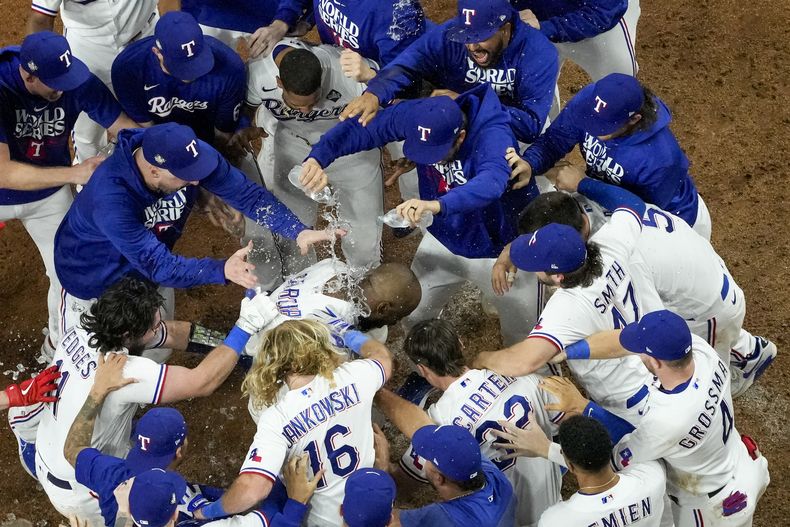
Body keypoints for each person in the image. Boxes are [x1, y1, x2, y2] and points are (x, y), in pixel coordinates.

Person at [19, 276, 281, 523]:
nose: (158, 330)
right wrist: (244, 326)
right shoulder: (124, 371)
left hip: (47, 448)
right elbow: (202, 381)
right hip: (81, 487)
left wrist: (234, 346)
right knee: (159, 509)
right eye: (152, 327)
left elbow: (169, 333)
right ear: (127, 335)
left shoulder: (82, 329)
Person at [53, 123, 340, 347]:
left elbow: (247, 196)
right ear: (154, 171)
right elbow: (160, 266)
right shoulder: (111, 197)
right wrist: (221, 269)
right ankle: (52, 346)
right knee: (91, 356)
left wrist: (296, 230)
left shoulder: (185, 155)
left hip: (144, 268)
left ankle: (230, 353)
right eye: (186, 176)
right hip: (93, 280)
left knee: (154, 337)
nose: (194, 181)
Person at [303, 85, 542, 346]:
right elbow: (365, 129)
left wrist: (437, 206)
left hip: (504, 252)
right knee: (413, 317)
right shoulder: (419, 115)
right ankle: (425, 380)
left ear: (460, 137)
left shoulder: (493, 136)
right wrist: (318, 157)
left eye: (436, 153)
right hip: (443, 238)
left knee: (524, 339)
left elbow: (492, 183)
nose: (432, 160)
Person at [513, 175, 776, 396]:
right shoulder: (599, 214)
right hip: (701, 270)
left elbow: (649, 320)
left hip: (709, 308)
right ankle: (747, 348)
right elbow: (630, 204)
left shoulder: (622, 257)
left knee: (694, 376)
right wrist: (583, 182)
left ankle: (748, 359)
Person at [533, 311, 771, 527]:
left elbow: (615, 460)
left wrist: (584, 407)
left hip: (714, 505)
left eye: (640, 351)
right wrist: (569, 352)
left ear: (656, 362)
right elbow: (623, 344)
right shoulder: (703, 353)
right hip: (743, 462)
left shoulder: (668, 419)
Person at [476, 176, 665, 423]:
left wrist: (482, 358)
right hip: (665, 363)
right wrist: (582, 183)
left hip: (631, 401)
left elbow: (522, 362)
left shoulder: (566, 308)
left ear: (558, 276)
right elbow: (633, 205)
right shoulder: (609, 245)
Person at [0, 31, 138, 357]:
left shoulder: (72, 78)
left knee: (68, 276)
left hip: (47, 196)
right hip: (17, 187)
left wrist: (146, 149)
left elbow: (123, 125)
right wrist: (75, 173)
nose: (62, 88)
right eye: (54, 82)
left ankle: (56, 352)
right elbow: (3, 173)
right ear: (28, 75)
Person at [191, 320, 393, 526]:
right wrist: (348, 334)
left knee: (277, 487)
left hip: (319, 522)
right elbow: (382, 357)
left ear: (276, 364)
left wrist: (208, 512)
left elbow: (253, 489)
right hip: (372, 506)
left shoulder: (276, 418)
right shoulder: (355, 375)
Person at [398, 319, 562, 527]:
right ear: (461, 343)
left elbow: (403, 485)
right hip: (558, 513)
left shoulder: (439, 420)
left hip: (503, 519)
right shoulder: (519, 376)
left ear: (422, 369)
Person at [241, 38, 384, 274]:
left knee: (364, 238)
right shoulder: (259, 75)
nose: (306, 111)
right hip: (294, 149)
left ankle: (365, 288)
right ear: (279, 83)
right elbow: (245, 108)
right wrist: (243, 127)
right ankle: (299, 290)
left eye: (313, 101)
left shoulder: (345, 71)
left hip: (351, 153)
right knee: (293, 231)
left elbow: (392, 91)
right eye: (298, 105)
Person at [508, 73, 711, 239]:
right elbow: (555, 140)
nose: (592, 128)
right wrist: (530, 163)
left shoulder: (661, 159)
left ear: (634, 119)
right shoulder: (591, 103)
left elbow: (640, 213)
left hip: (670, 225)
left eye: (603, 126)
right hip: (609, 197)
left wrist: (583, 184)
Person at [345, 0, 559, 144]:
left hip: (508, 131)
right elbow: (407, 64)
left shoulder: (538, 53)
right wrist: (375, 92)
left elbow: (529, 126)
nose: (472, 46)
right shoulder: (447, 34)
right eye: (467, 36)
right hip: (457, 122)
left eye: (481, 36)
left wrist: (467, 103)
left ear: (504, 27)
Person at [27, 0, 160, 161]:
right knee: (87, 134)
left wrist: (170, 36)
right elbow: (41, 18)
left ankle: (165, 171)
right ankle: (88, 180)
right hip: (88, 48)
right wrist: (40, 70)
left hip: (146, 38)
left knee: (158, 112)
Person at [493, 415, 667, 527]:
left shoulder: (556, 521)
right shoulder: (652, 477)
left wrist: (547, 449)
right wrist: (548, 449)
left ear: (570, 466)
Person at [374, 390, 516, 526]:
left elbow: (386, 520)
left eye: (427, 457)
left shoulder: (442, 518)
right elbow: (423, 426)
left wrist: (383, 470)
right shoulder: (497, 480)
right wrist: (377, 390)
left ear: (439, 478)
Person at [111, 11, 246, 150]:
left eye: (196, 63)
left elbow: (223, 135)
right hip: (160, 138)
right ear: (157, 52)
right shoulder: (128, 68)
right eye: (180, 67)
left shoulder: (230, 67)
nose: (189, 75)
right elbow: (145, 131)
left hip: (207, 137)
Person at [242, 258, 422, 356]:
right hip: (259, 353)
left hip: (255, 318)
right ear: (383, 308)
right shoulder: (330, 335)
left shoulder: (333, 265)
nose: (394, 323)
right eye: (397, 318)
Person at [246, 0, 427, 64]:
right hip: (337, 57)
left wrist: (371, 80)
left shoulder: (398, 14)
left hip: (371, 80)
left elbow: (401, 75)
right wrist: (283, 22)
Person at [512, 0, 640, 81]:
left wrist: (547, 28)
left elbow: (602, 12)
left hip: (601, 30)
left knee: (618, 89)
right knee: (535, 93)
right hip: (534, 23)